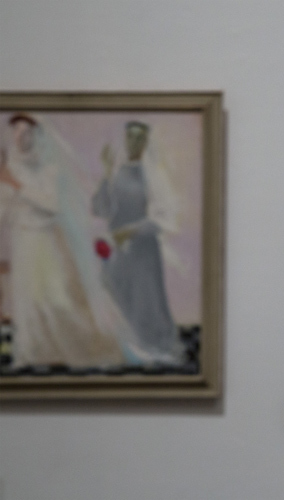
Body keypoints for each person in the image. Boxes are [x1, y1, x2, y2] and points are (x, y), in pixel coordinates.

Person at [0, 114, 124, 367]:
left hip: (46, 242)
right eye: (16, 133)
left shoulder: (49, 168)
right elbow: (5, 211)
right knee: (28, 302)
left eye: (26, 133)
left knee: (56, 299)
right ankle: (35, 354)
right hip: (23, 241)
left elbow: (51, 204)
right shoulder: (10, 168)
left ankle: (76, 348)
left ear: (37, 136)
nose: (20, 138)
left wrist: (16, 185)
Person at [92, 121, 183, 365]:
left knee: (145, 300)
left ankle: (151, 347)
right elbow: (101, 209)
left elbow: (164, 218)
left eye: (139, 138)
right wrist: (106, 172)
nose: (133, 142)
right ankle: (126, 347)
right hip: (119, 250)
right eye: (129, 137)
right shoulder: (118, 172)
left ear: (145, 142)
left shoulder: (153, 175)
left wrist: (131, 231)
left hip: (143, 250)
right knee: (117, 294)